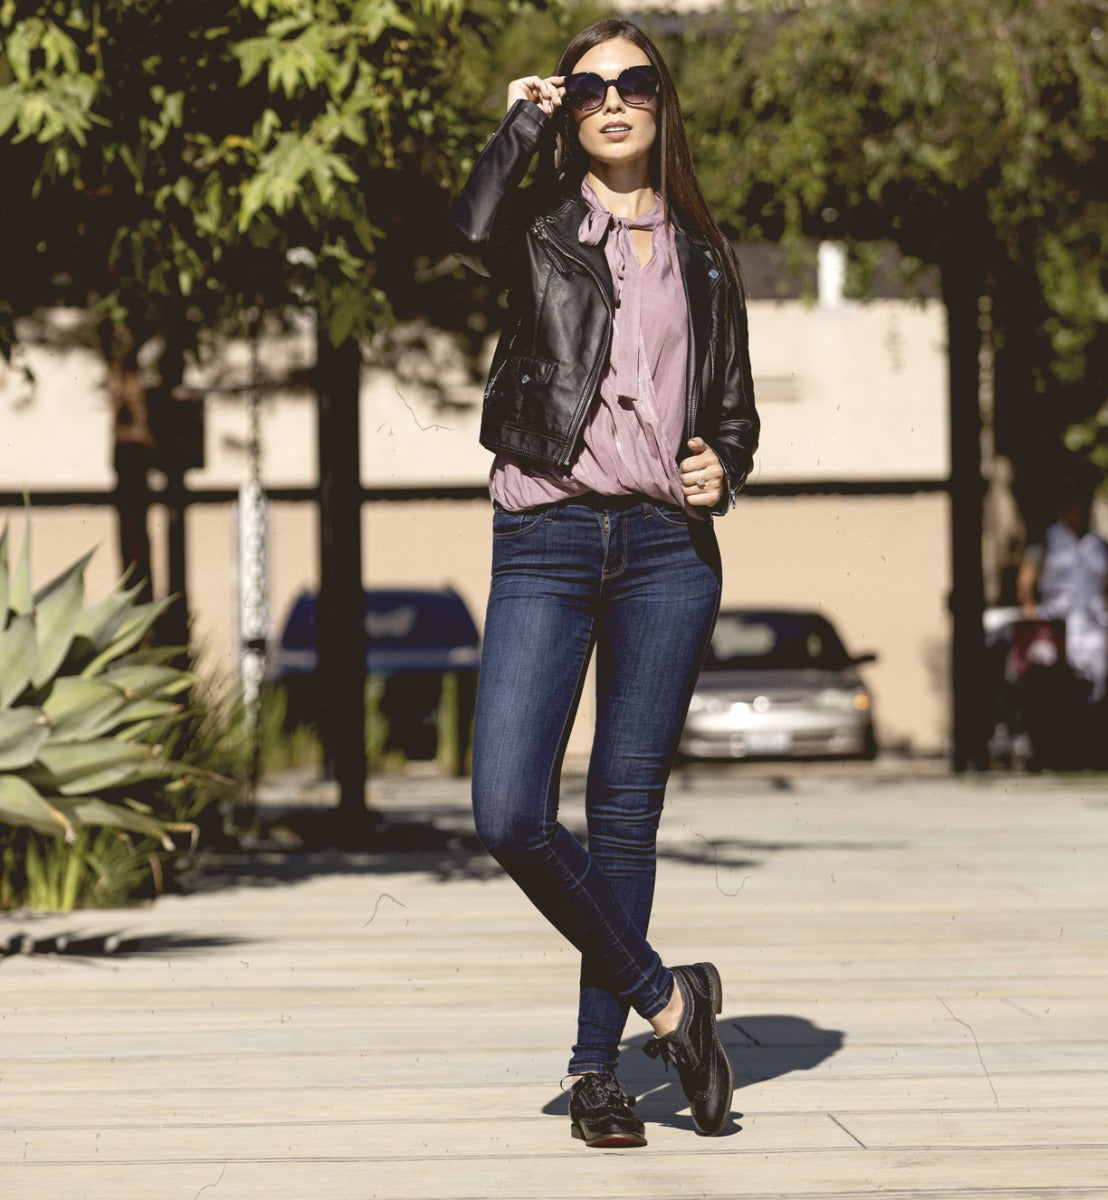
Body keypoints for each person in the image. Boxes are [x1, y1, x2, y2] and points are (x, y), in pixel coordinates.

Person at [451, 17, 759, 1148]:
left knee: (622, 820)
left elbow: (731, 405)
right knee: (508, 813)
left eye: (633, 82)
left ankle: (598, 1074)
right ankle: (673, 1004)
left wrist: (726, 463)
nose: (612, 99)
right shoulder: (539, 232)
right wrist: (521, 119)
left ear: (662, 101)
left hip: (668, 555)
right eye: (588, 88)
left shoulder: (706, 255)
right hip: (546, 537)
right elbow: (466, 221)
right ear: (569, 108)